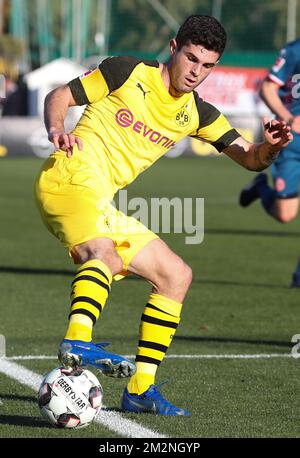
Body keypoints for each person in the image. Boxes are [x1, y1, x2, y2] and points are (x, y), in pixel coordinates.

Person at [35, 15, 292, 416]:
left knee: (175, 275)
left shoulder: (197, 113)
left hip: (101, 200)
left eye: (207, 65)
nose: (196, 72)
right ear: (174, 48)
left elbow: (249, 157)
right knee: (104, 254)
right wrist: (56, 129)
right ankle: (77, 340)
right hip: (68, 177)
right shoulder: (127, 71)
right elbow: (59, 95)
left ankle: (140, 389)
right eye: (191, 58)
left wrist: (271, 148)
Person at [239, 38, 300, 286]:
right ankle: (260, 187)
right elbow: (267, 88)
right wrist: (288, 118)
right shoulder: (294, 51)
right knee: (285, 215)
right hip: (291, 141)